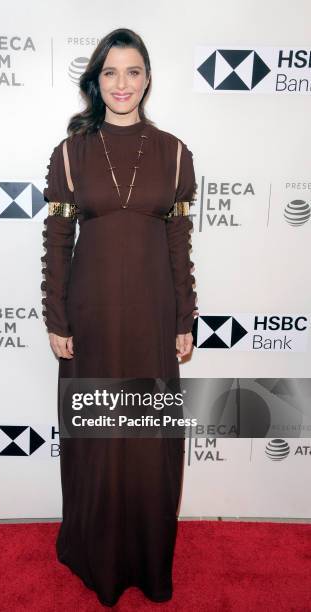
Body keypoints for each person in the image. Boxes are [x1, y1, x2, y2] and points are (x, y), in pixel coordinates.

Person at [41, 27, 198, 608]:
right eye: (110, 72)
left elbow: (179, 244)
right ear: (96, 80)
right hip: (92, 317)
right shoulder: (71, 152)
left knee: (149, 440)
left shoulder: (175, 152)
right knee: (99, 440)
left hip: (155, 317)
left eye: (132, 71)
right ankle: (95, 555)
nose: (122, 84)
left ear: (148, 78)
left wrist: (186, 316)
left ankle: (148, 559)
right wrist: (56, 317)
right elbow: (58, 241)